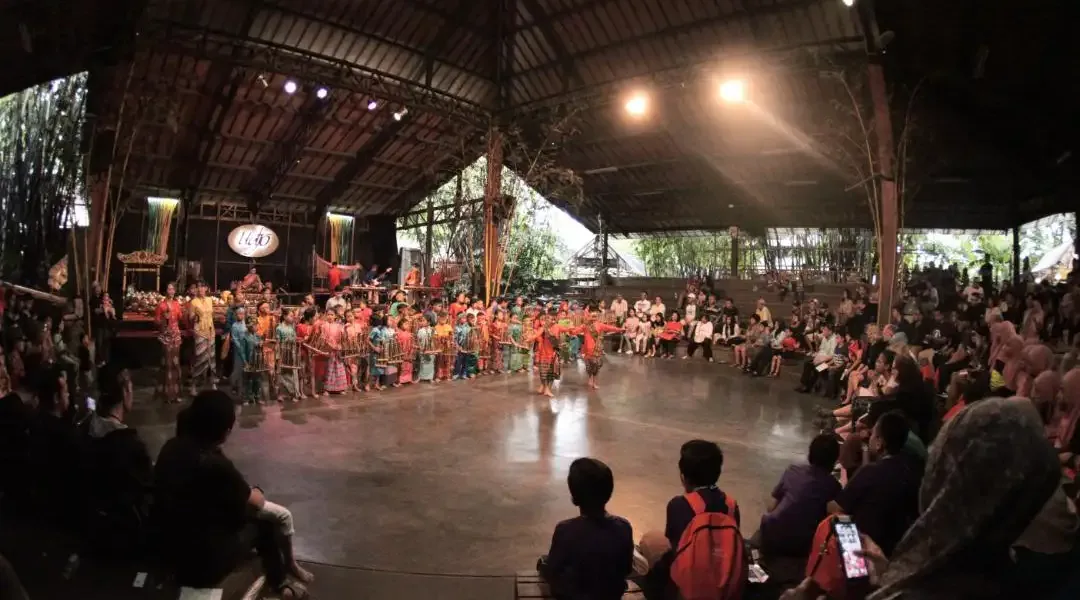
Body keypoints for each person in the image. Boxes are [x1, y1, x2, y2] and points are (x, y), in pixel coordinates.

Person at [153, 391, 312, 597]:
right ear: (225, 432)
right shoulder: (215, 465)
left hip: (170, 546)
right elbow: (255, 501)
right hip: (202, 562)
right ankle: (280, 583)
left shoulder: (171, 447)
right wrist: (255, 491)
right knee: (265, 525)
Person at [827, 411, 922, 556]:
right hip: (897, 549)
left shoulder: (871, 472)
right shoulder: (913, 470)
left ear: (879, 442)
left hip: (864, 548)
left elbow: (837, 507)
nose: (869, 437)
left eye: (872, 434)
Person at [539, 458, 633, 600]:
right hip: (611, 596)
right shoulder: (624, 527)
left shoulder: (565, 531)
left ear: (574, 496)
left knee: (544, 564)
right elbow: (626, 569)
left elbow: (553, 572)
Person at [85, 364, 153, 535]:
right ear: (124, 393)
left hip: (93, 521)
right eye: (131, 389)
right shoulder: (130, 444)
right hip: (123, 530)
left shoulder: (87, 428)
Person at [754, 434, 841, 558]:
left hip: (770, 533)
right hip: (801, 545)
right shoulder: (833, 486)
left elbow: (771, 507)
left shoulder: (793, 470)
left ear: (810, 453)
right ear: (834, 460)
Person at [155, 283, 184, 403]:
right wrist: (163, 319)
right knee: (167, 364)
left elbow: (180, 318)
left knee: (175, 363)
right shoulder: (161, 305)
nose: (171, 291)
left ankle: (176, 394)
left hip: (175, 336)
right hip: (166, 337)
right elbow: (156, 321)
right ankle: (166, 394)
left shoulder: (177, 304)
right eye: (169, 288)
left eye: (172, 289)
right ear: (166, 291)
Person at [188, 281, 217, 396]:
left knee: (211, 358)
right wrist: (195, 316)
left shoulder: (210, 300)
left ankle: (213, 382)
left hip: (210, 331)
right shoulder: (193, 302)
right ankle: (194, 385)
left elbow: (212, 314)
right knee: (200, 358)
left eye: (202, 287)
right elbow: (190, 318)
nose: (200, 289)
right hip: (199, 331)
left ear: (206, 288)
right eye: (198, 288)